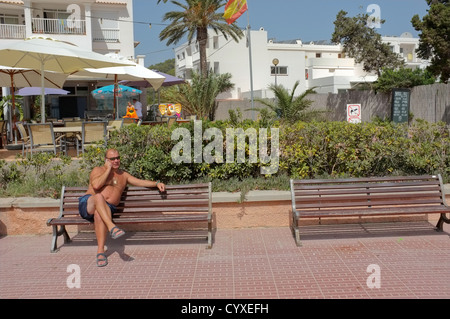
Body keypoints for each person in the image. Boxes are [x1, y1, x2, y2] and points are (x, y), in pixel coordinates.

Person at [78, 148, 165, 267]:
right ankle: (112, 227)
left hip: (107, 208)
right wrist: (108, 169)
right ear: (106, 160)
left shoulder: (123, 175)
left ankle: (100, 252)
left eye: (118, 158)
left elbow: (140, 182)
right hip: (89, 203)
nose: (116, 160)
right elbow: (97, 185)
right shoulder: (98, 170)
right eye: (112, 159)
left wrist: (156, 183)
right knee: (99, 197)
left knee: (99, 214)